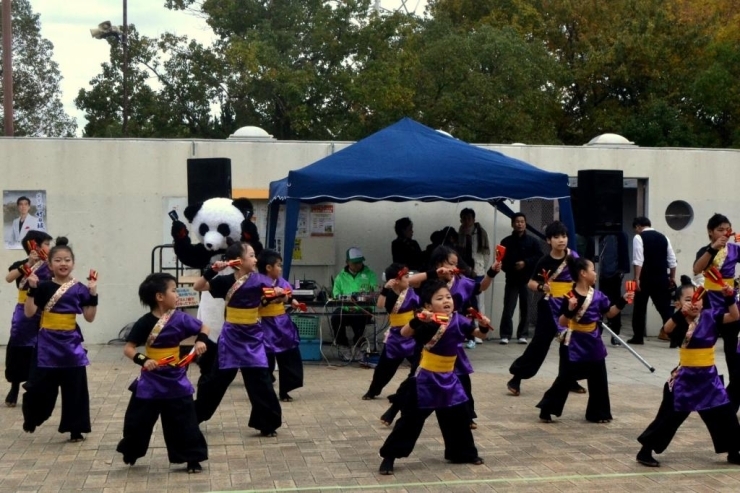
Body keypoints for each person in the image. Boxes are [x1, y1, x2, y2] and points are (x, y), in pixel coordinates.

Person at [377, 281, 491, 475]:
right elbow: (404, 333)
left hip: (449, 377)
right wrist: (418, 320)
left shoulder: (459, 319)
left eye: (448, 297)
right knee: (410, 421)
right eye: (439, 298)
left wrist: (484, 327)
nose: (446, 301)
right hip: (425, 379)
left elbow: (479, 334)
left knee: (459, 416)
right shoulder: (426, 321)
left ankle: (462, 453)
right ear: (428, 305)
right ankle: (389, 456)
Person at [636, 277, 740, 467]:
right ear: (677, 303)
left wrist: (730, 297)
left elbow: (734, 316)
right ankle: (645, 451)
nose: (694, 302)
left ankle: (734, 451)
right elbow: (666, 330)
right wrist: (678, 315)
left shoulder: (711, 315)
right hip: (685, 379)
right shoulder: (678, 321)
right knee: (668, 418)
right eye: (688, 299)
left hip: (709, 379)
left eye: (698, 297)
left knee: (725, 415)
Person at [116, 273, 209, 473]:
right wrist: (145, 360)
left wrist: (201, 340)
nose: (177, 295)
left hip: (175, 379)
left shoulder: (181, 318)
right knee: (137, 421)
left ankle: (192, 458)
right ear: (160, 297)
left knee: (184, 421)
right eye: (173, 291)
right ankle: (131, 451)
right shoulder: (144, 322)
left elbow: (204, 327)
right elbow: (129, 349)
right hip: (151, 380)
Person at [192, 241, 283, 436]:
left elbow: (278, 297)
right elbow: (198, 286)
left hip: (253, 338)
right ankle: (192, 416)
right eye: (251, 255)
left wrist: (279, 295)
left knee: (260, 380)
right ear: (239, 261)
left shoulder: (259, 279)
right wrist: (212, 270)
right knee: (217, 380)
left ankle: (267, 423)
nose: (255, 259)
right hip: (231, 338)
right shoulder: (225, 282)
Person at [536, 256, 632, 424]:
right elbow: (562, 322)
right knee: (565, 378)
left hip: (593, 340)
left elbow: (609, 313)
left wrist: (623, 300)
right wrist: (571, 309)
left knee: (599, 377)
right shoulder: (569, 296)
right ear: (583, 273)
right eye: (592, 270)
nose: (595, 273)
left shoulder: (598, 295)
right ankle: (547, 407)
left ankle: (598, 412)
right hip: (573, 341)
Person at [21, 237, 97, 442]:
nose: (63, 264)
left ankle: (76, 428)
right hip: (46, 343)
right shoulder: (43, 286)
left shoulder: (80, 288)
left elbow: (89, 317)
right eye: (58, 260)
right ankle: (33, 416)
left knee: (76, 387)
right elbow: (29, 313)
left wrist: (93, 293)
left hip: (71, 344)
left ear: (73, 263)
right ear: (50, 264)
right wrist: (32, 289)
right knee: (39, 387)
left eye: (67, 260)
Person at [507, 221, 584, 396]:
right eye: (556, 237)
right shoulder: (545, 260)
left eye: (563, 236)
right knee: (540, 344)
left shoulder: (574, 258)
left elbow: (582, 277)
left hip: (570, 304)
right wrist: (542, 288)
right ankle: (517, 376)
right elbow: (531, 283)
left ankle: (569, 378)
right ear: (549, 240)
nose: (561, 240)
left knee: (570, 342)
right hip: (549, 306)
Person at [692, 214, 740, 407]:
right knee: (703, 347)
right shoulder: (706, 251)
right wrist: (713, 248)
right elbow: (697, 269)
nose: (724, 234)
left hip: (730, 303)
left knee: (733, 352)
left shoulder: (735, 249)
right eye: (720, 230)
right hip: (709, 302)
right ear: (710, 232)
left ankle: (732, 399)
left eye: (727, 230)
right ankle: (699, 390)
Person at [4, 231, 53, 407]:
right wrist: (29, 264)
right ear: (35, 246)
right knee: (18, 349)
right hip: (24, 314)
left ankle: (37, 386)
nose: (49, 247)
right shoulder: (21, 265)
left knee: (41, 349)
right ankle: (15, 385)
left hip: (44, 311)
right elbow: (9, 278)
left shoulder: (51, 265)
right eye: (47, 243)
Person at [362, 263, 420, 401]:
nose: (409, 279)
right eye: (406, 277)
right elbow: (380, 305)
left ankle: (407, 391)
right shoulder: (389, 294)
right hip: (396, 336)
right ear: (396, 280)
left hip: (413, 333)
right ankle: (373, 391)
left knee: (419, 365)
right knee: (384, 368)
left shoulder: (412, 291)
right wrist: (385, 289)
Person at [258, 249, 304, 402]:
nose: (280, 268)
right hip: (264, 323)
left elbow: (288, 296)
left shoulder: (282, 282)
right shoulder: (256, 281)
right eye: (278, 265)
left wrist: (293, 301)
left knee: (288, 357)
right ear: (268, 267)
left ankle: (285, 391)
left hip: (282, 323)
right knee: (265, 360)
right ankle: (265, 386)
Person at [630, 217, 677, 344]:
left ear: (638, 226)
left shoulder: (639, 237)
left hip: (644, 278)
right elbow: (672, 260)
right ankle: (674, 337)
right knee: (664, 309)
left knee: (639, 308)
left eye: (636, 229)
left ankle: (638, 337)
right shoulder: (664, 237)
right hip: (661, 278)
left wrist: (637, 278)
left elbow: (638, 259)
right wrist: (672, 277)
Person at [499, 213, 543, 345]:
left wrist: (526, 263)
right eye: (517, 222)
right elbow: (501, 260)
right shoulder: (505, 241)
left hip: (527, 279)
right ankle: (505, 334)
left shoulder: (533, 241)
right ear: (512, 224)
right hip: (512, 279)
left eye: (522, 221)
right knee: (508, 308)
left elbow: (539, 257)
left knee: (526, 308)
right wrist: (510, 268)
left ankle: (523, 335)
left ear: (525, 223)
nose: (520, 224)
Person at [331, 247, 378, 360]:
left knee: (359, 316)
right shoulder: (340, 277)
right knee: (336, 316)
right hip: (346, 308)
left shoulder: (370, 274)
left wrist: (361, 297)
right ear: (347, 262)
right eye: (354, 263)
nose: (358, 265)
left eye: (360, 262)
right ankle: (343, 346)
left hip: (364, 309)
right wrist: (347, 299)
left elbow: (374, 293)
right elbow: (335, 294)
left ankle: (358, 346)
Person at [597, 231, 631, 346]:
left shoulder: (619, 234)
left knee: (614, 302)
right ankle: (598, 332)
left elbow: (624, 252)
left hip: (613, 274)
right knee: (597, 303)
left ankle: (615, 333)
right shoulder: (596, 233)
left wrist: (621, 270)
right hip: (597, 273)